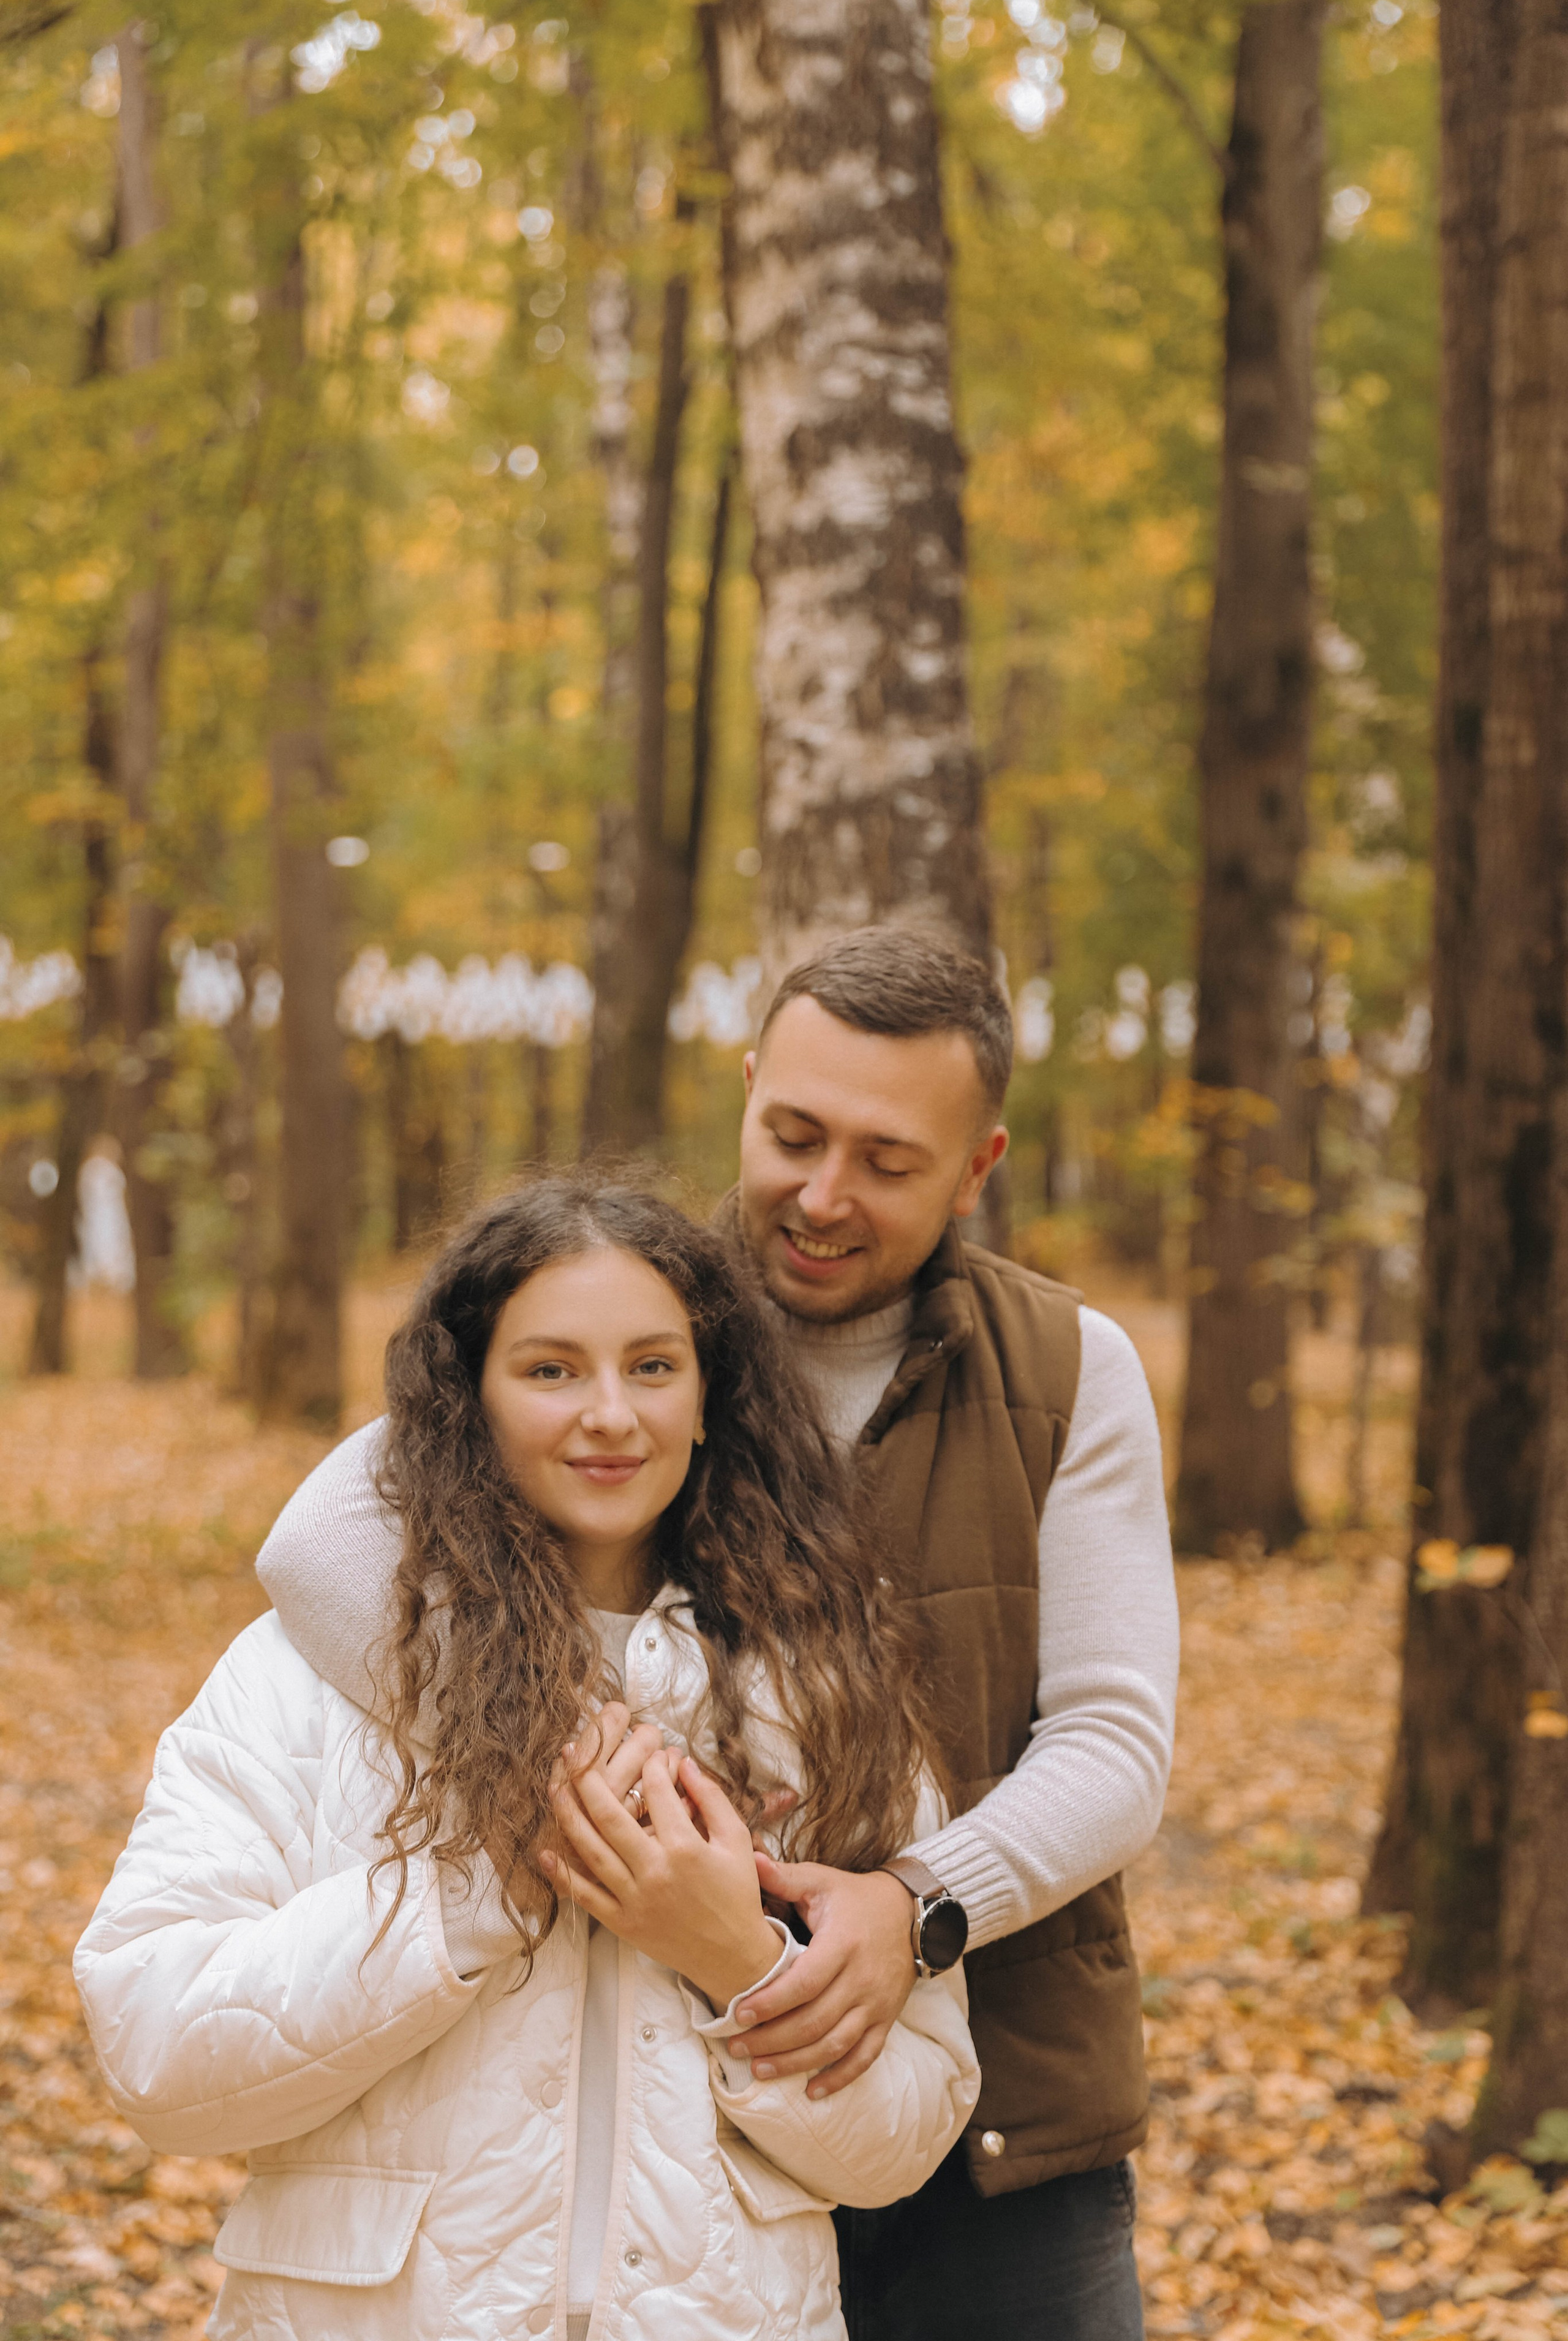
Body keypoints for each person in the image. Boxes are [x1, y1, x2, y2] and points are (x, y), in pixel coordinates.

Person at [255, 924, 1180, 2341]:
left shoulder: (1065, 1370)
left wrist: (916, 1907)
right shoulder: (635, 1310)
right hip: (678, 2130)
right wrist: (576, 1757)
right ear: (747, 1089)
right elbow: (318, 1546)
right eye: (792, 1133)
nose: (820, 1195)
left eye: (885, 1161)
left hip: (1001, 2127)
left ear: (977, 1166)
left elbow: (1115, 1743)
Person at [75, 1180, 980, 2341]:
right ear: (470, 1401)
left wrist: (736, 1961)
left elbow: (906, 2135)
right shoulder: (310, 1676)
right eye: (550, 1370)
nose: (611, 1414)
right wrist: (478, 1889)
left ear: (711, 1398)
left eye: (654, 1367)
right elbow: (154, 2054)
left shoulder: (823, 1692)